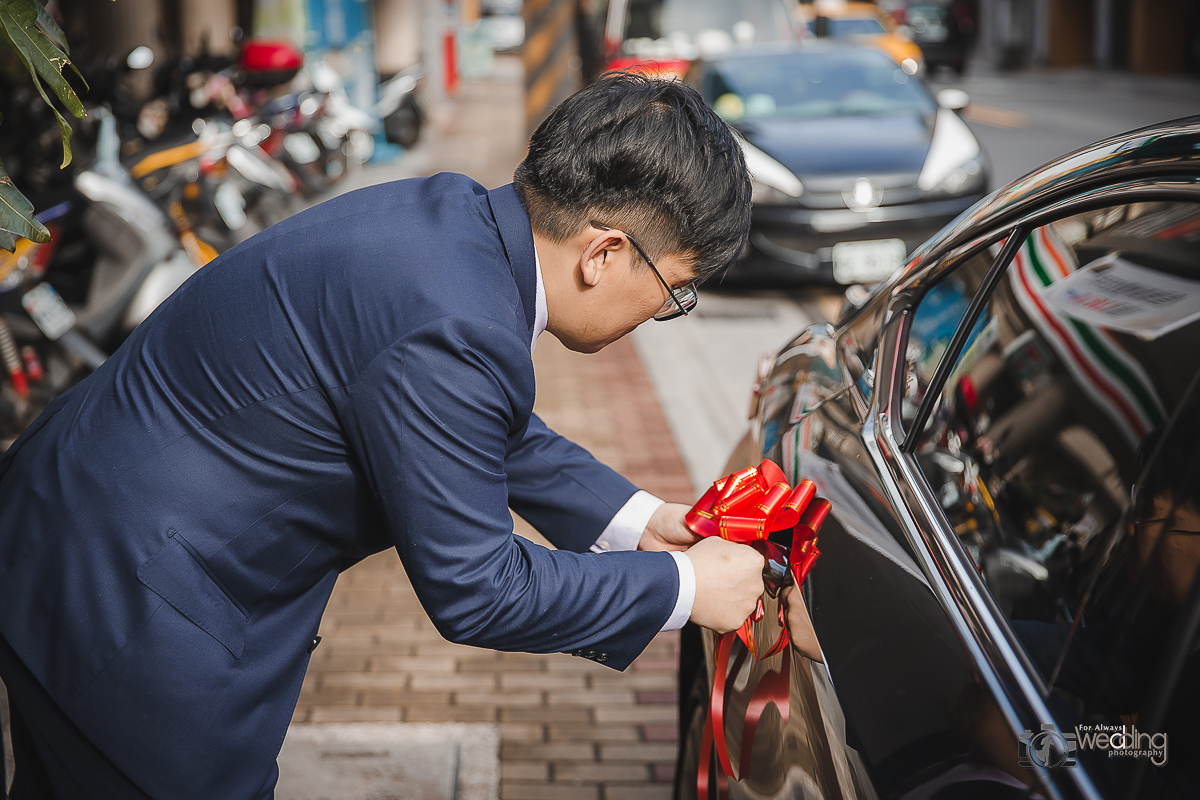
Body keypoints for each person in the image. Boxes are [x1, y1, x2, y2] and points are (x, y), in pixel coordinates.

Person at [0, 73, 764, 799]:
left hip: (78, 525)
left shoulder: (456, 222)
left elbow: (471, 422)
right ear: (604, 253)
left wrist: (640, 523)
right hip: (127, 604)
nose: (659, 314)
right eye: (672, 292)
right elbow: (479, 588)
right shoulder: (457, 321)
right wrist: (688, 589)